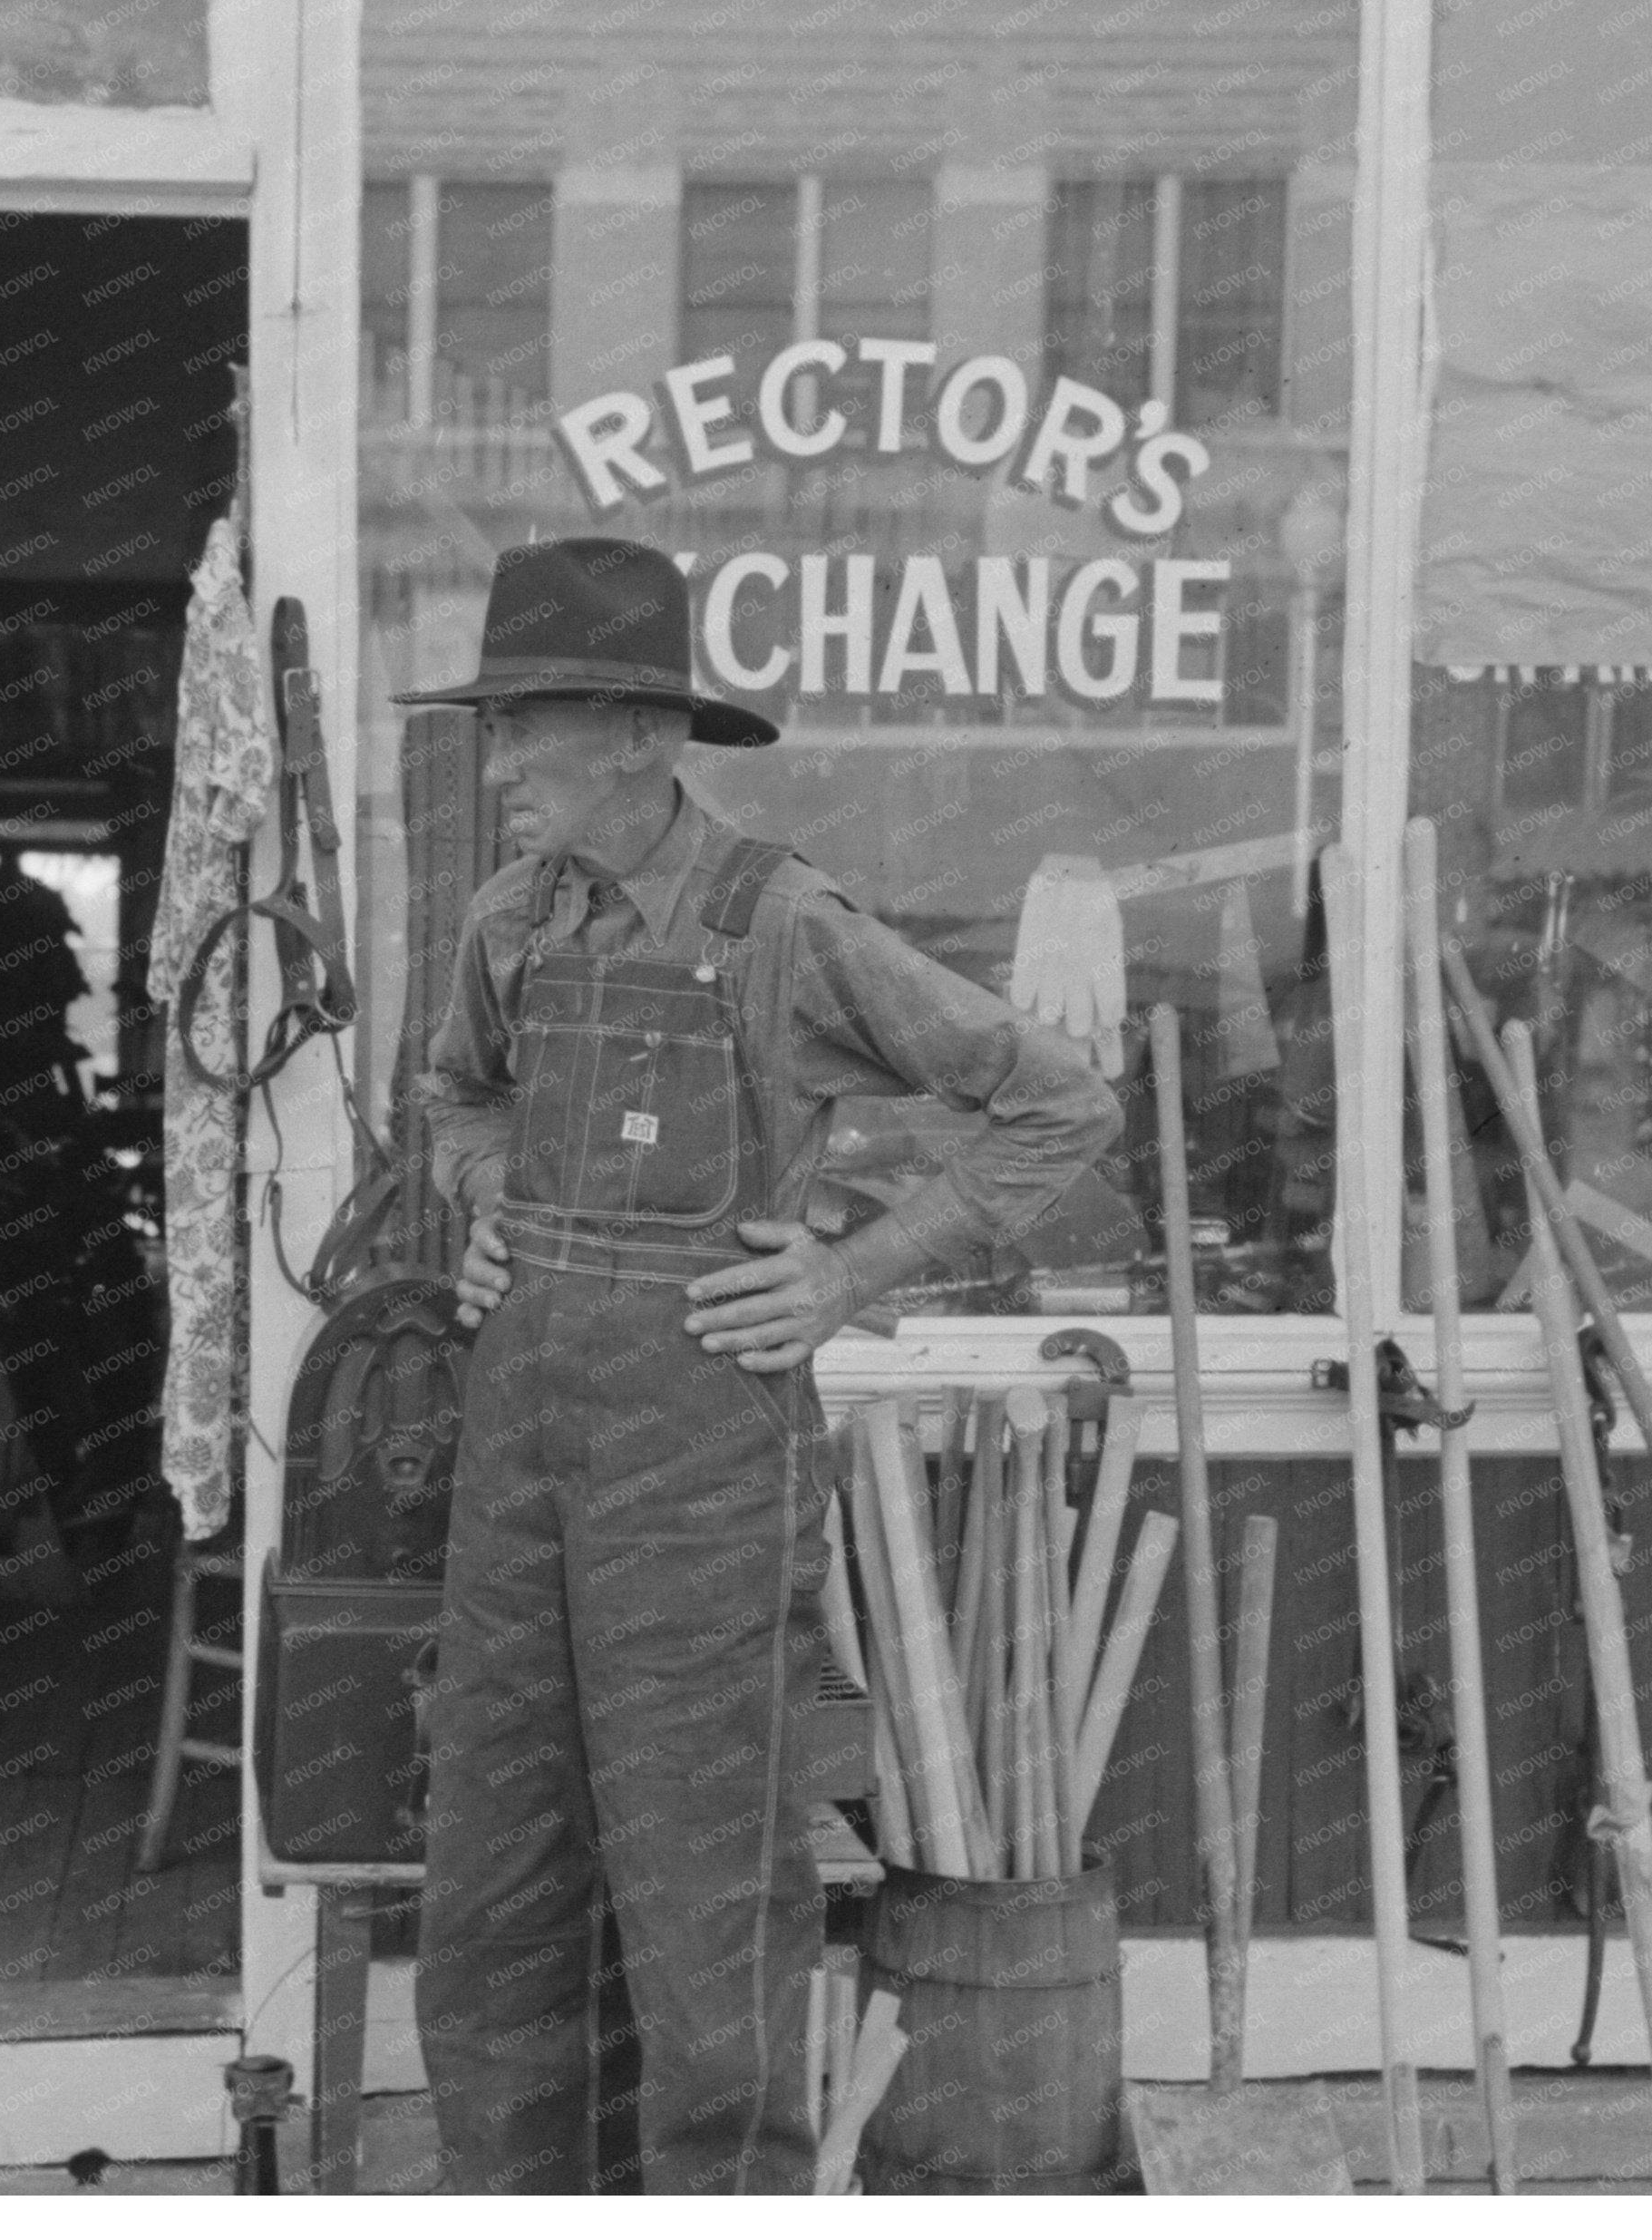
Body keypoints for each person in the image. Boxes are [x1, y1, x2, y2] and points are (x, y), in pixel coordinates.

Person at [398, 537, 1122, 2193]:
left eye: (528, 725)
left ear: (647, 737)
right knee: (495, 1869)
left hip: (699, 1463)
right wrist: (485, 1198)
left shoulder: (784, 925)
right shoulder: (510, 918)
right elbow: (456, 1095)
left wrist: (854, 1269)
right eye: (494, 725)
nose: (497, 761)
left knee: (701, 1878)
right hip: (517, 1448)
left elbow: (1056, 1101)